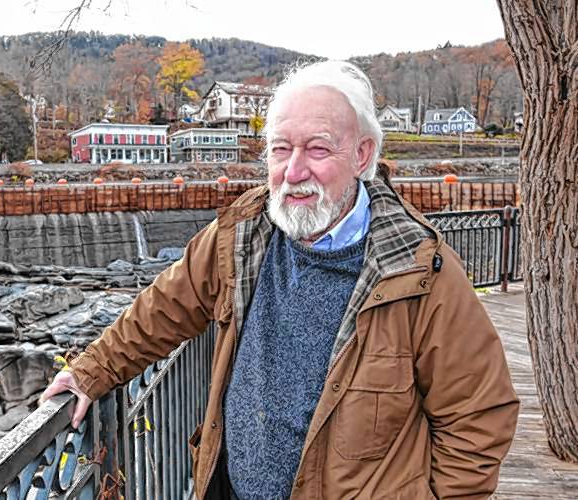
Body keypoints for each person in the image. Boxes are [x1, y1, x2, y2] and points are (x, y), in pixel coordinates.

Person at [41, 60, 519, 499]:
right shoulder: (242, 233)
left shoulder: (418, 270)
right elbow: (164, 308)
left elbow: (478, 417)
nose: (294, 171)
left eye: (317, 149)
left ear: (361, 154)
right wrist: (91, 372)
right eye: (280, 149)